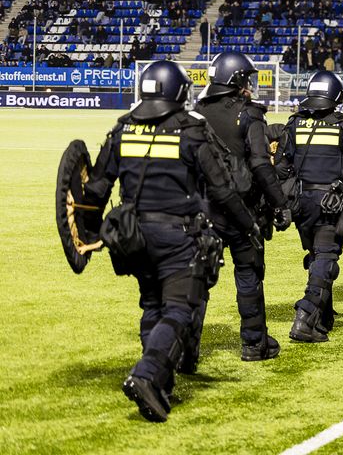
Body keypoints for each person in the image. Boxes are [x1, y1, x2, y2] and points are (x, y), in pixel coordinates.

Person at [83, 61, 259, 421]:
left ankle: (160, 384)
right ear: (180, 93)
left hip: (132, 238)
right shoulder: (191, 131)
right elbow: (222, 190)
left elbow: (97, 187)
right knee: (180, 308)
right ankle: (147, 375)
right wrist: (248, 224)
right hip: (178, 235)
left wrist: (88, 231)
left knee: (152, 305)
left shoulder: (122, 129)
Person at [193, 51, 292, 361]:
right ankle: (254, 343)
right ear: (236, 81)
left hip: (204, 208)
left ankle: (186, 347)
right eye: (247, 79)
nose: (250, 85)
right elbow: (261, 165)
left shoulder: (198, 110)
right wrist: (280, 203)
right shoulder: (249, 114)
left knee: (197, 277)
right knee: (248, 272)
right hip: (241, 209)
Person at [278, 71, 343, 342]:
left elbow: (281, 167)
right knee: (326, 260)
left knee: (316, 257)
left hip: (301, 203)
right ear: (336, 96)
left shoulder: (294, 124)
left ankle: (323, 319)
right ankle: (306, 314)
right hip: (330, 204)